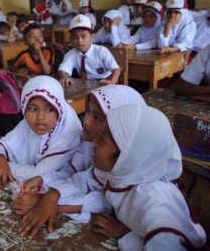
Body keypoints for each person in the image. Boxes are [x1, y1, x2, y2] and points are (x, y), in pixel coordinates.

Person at [19, 105, 206, 250]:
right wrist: (53, 195)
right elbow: (84, 179)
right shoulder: (122, 171)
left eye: (102, 141)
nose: (94, 144)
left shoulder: (154, 204)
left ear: (127, 156)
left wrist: (125, 234)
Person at [13, 85, 146, 224]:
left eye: (97, 118)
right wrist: (43, 181)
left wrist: (46, 203)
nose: (86, 121)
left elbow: (106, 200)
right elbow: (76, 173)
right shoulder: (88, 145)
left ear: (121, 129)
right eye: (88, 112)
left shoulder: (139, 175)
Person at [0, 75, 82, 185]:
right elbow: (0, 145)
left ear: (60, 109)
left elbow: (39, 174)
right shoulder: (26, 125)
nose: (40, 117)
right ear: (24, 108)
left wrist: (1, 166)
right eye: (33, 109)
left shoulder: (69, 133)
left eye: (49, 110)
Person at [58, 14, 121, 86]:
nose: (80, 41)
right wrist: (64, 77)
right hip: (87, 84)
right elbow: (62, 70)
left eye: (83, 36)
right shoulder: (71, 54)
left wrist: (111, 82)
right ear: (71, 39)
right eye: (75, 37)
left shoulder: (101, 51)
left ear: (92, 37)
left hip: (105, 82)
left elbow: (116, 69)